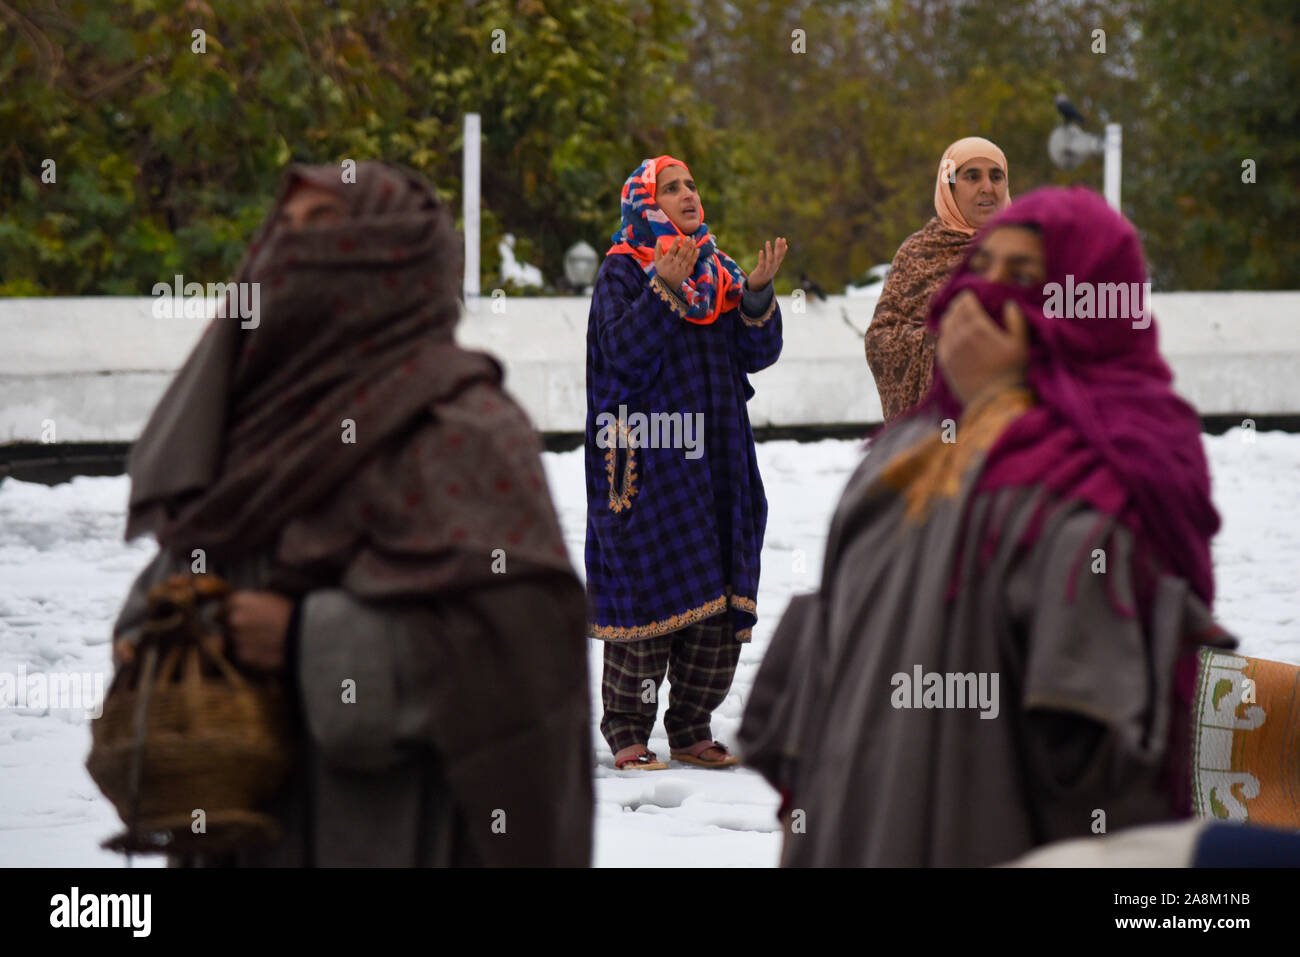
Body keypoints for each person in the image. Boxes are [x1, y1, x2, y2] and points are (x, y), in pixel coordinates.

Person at [111, 161, 593, 866]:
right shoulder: (250, 423)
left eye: (326, 229)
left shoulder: (466, 429)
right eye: (289, 229)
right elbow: (185, 560)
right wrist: (164, 631)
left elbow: (528, 652)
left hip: (399, 831)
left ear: (395, 260)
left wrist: (312, 641)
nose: (294, 250)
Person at [739, 186, 1235, 866]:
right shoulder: (898, 457)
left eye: (1026, 277)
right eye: (983, 269)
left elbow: (1105, 757)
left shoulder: (1119, 469)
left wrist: (1003, 403)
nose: (985, 296)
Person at [585, 155, 786, 771]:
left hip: (717, 458)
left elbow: (756, 354)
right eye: (670, 188)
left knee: (718, 593)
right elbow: (621, 356)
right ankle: (627, 732)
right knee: (649, 590)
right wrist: (662, 291)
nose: (687, 195)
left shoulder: (717, 271)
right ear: (644, 205)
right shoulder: (623, 272)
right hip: (649, 460)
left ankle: (692, 726)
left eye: (691, 185)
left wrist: (754, 293)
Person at [865, 136, 1011, 422]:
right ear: (949, 186)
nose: (988, 188)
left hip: (1013, 428)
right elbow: (880, 341)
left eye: (997, 176)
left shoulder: (1026, 251)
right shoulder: (919, 254)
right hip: (940, 434)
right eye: (972, 176)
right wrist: (944, 342)